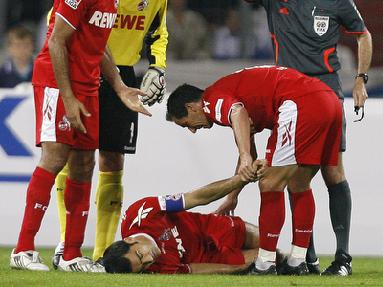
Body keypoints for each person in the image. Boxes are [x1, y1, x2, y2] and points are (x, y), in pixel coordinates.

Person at [9, 0, 150, 272]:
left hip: (88, 83)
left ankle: (71, 254)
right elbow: (56, 42)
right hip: (56, 82)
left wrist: (120, 87)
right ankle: (23, 249)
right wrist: (68, 96)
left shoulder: (114, 2)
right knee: (55, 157)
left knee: (85, 164)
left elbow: (100, 47)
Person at [235, 0, 373, 276]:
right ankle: (306, 259)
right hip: (288, 97)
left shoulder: (338, 2)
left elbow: (363, 35)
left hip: (326, 91)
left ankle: (342, 258)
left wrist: (360, 79)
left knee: (333, 171)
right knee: (292, 175)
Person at [166, 65, 343, 275]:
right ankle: (298, 260)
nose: (193, 130)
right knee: (299, 184)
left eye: (186, 124)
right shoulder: (232, 92)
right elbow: (247, 147)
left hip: (299, 103)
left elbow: (238, 113)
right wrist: (233, 196)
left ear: (191, 107)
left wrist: (244, 156)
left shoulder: (211, 100)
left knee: (269, 183)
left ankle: (265, 263)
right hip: (329, 101)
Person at [52, 0, 168, 268]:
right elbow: (60, 23)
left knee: (113, 160)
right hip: (82, 66)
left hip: (124, 73)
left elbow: (159, 32)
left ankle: (103, 254)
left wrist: (157, 66)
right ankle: (65, 242)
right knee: (73, 155)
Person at [103, 160, 267, 274]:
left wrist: (241, 179)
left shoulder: (142, 213)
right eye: (143, 266)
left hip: (209, 227)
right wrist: (236, 269)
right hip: (207, 258)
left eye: (140, 254)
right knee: (269, 260)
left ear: (130, 240)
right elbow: (191, 269)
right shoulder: (156, 270)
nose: (149, 259)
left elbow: (196, 198)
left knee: (269, 242)